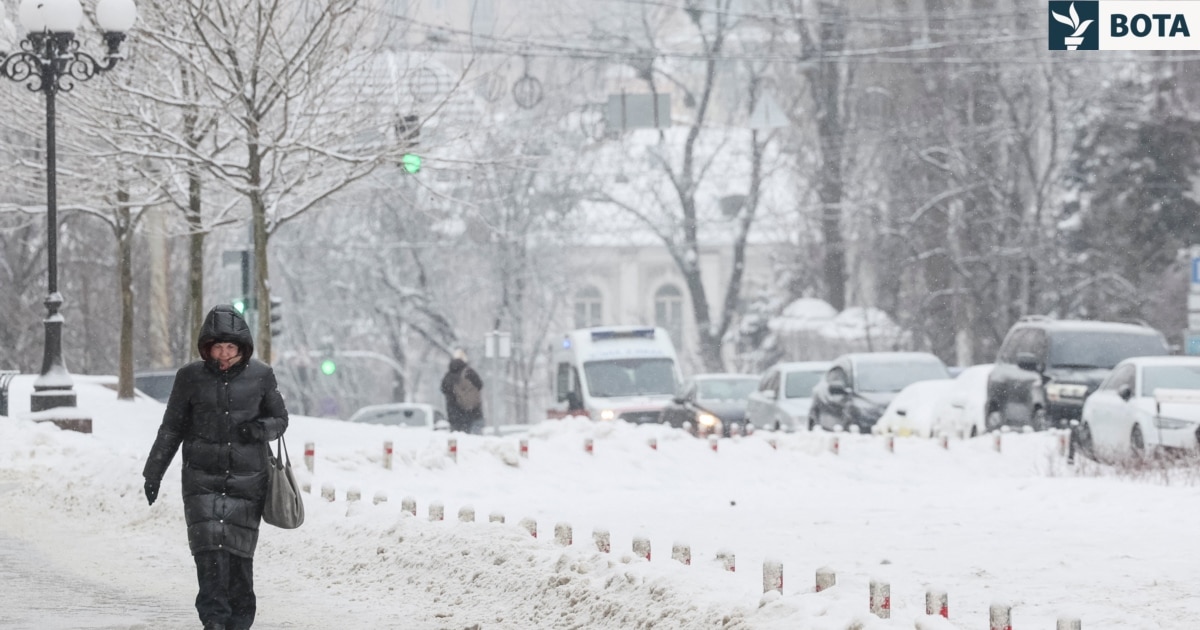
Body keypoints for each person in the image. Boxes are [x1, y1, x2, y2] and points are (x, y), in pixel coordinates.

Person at [142, 304, 289, 630]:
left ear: (242, 348)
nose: (223, 354)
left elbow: (280, 419)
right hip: (201, 483)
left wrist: (258, 429)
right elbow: (172, 428)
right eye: (217, 347)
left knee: (238, 563)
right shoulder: (190, 377)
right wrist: (153, 471)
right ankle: (215, 623)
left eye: (230, 347)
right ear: (207, 347)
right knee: (209, 558)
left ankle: (239, 623)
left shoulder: (261, 376)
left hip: (247, 483)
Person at [440, 348, 484, 433]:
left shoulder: (448, 376)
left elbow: (443, 389)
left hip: (454, 415)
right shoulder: (469, 372)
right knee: (474, 442)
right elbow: (480, 385)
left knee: (457, 441)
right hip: (473, 413)